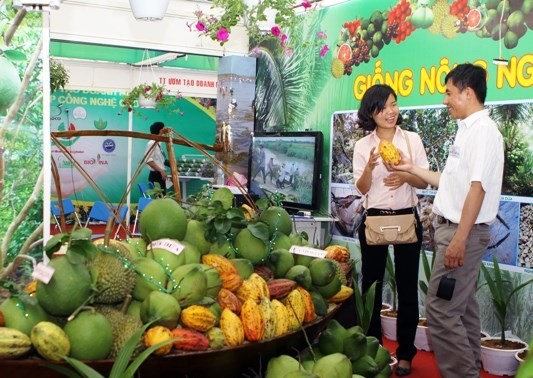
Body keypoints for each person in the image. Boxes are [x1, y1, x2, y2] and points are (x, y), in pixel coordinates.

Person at [389, 63, 504, 378]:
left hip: (461, 233)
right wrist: (411, 168)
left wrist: (459, 239)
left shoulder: (483, 133)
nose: (445, 100)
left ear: (467, 93)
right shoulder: (467, 131)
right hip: (452, 230)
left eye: (449, 93)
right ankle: (469, 369)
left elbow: (477, 190)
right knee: (462, 309)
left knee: (439, 311)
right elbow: (450, 182)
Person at [352, 84, 429, 377]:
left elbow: (423, 182)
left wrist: (406, 176)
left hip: (407, 219)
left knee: (408, 288)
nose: (391, 112)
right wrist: (371, 167)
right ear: (371, 112)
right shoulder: (362, 146)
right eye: (383, 108)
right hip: (375, 220)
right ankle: (373, 347)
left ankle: (406, 353)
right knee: (371, 287)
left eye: (394, 105)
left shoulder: (412, 140)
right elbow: (360, 189)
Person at [145, 121, 168, 195]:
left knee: (162, 196)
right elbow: (148, 160)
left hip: (160, 175)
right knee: (160, 198)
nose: (164, 132)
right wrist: (161, 171)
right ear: (160, 131)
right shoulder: (152, 143)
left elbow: (161, 160)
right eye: (163, 130)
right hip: (156, 176)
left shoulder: (158, 144)